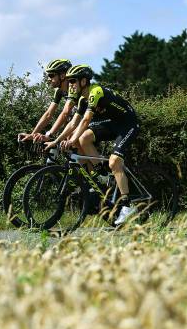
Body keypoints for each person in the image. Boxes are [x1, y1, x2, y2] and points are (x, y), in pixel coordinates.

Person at [45, 65, 140, 224]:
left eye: (73, 81)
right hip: (111, 123)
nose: (70, 85)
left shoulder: (95, 92)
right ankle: (102, 175)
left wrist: (71, 140)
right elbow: (73, 123)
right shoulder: (82, 98)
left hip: (128, 123)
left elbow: (86, 120)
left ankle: (127, 205)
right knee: (84, 139)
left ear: (83, 81)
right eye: (69, 81)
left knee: (115, 161)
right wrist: (56, 140)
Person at [18, 59, 75, 142]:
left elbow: (65, 113)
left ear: (62, 76)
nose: (48, 79)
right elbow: (48, 114)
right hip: (79, 119)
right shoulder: (59, 91)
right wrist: (33, 134)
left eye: (51, 75)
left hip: (92, 120)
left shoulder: (74, 89)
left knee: (72, 138)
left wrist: (49, 135)